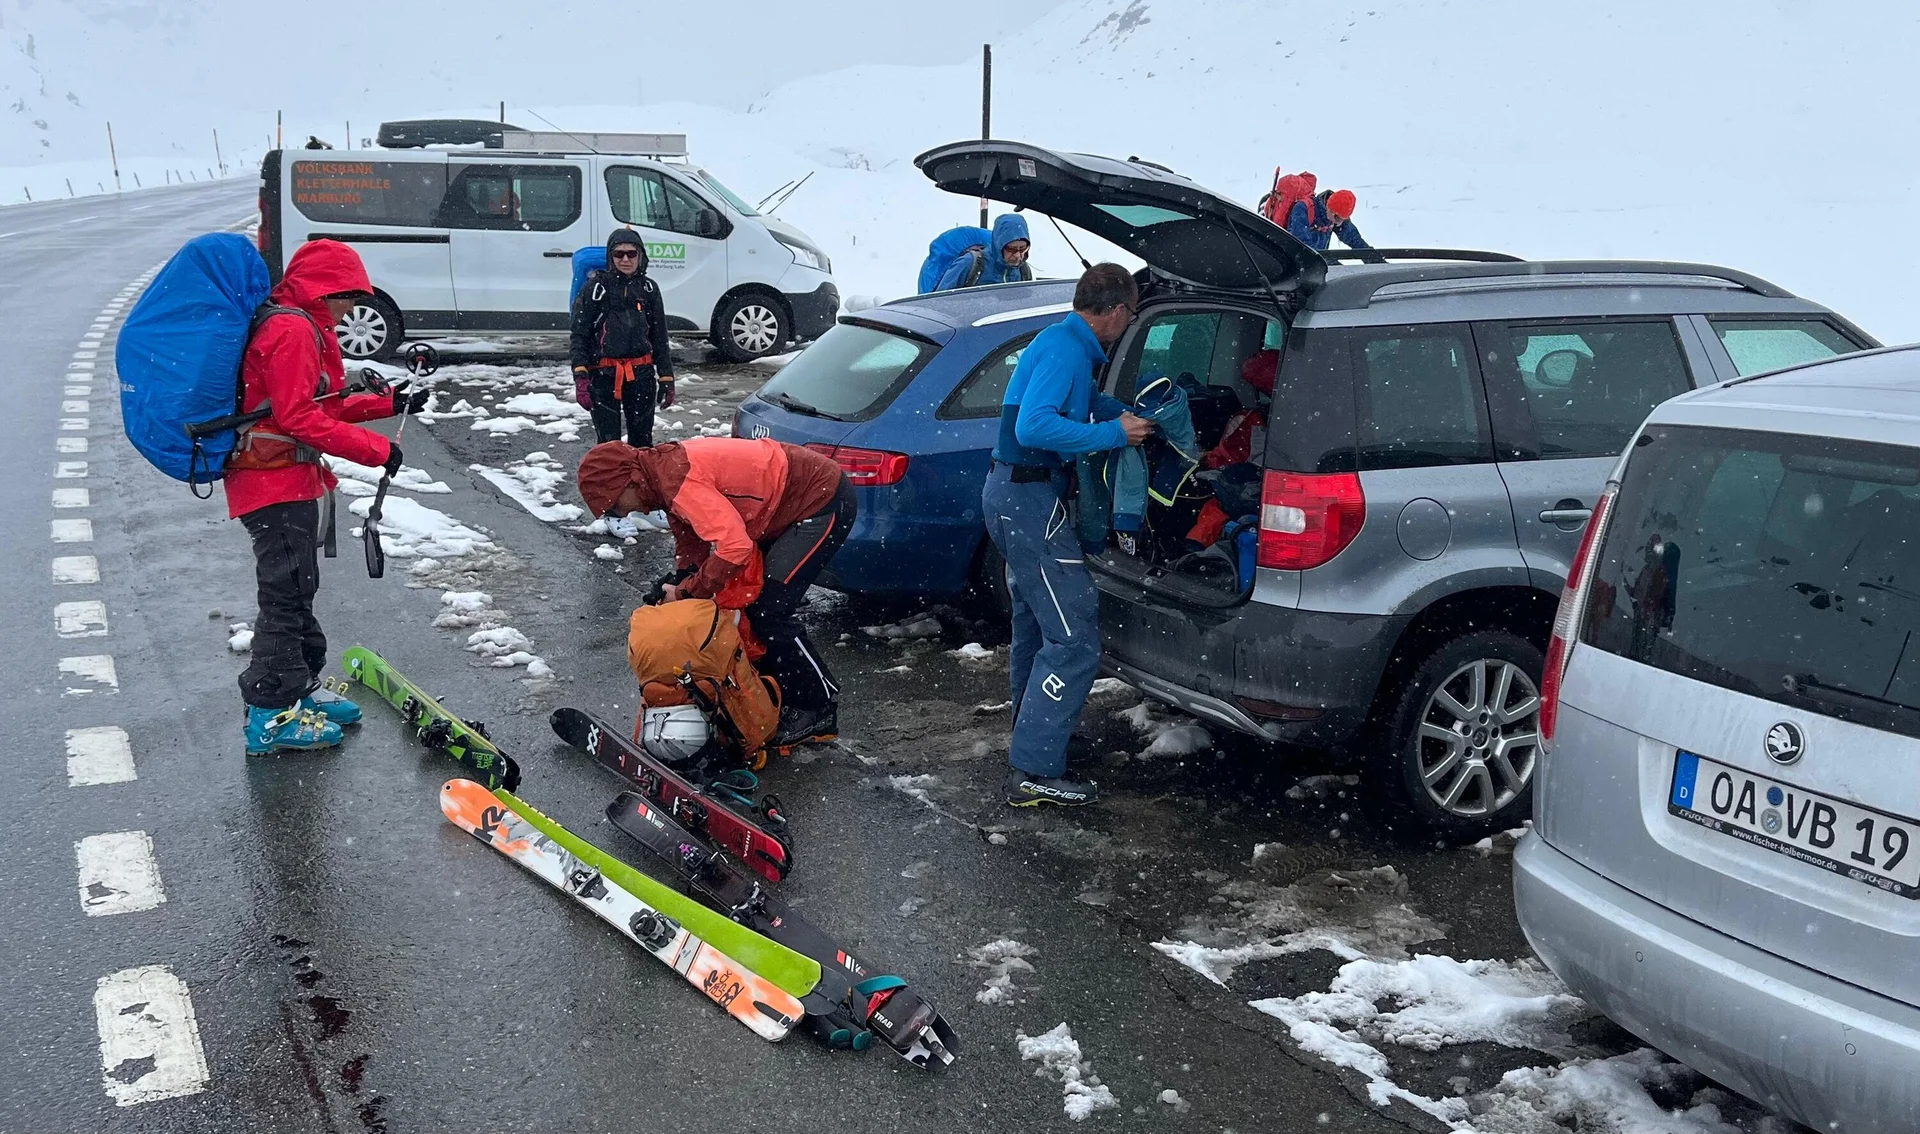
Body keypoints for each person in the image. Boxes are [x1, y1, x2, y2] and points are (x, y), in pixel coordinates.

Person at [225, 239, 427, 755]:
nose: (351, 308)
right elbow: (296, 417)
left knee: (298, 588)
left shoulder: (302, 324)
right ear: (324, 289)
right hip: (272, 481)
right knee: (284, 597)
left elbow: (316, 406)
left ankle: (298, 688)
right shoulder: (292, 330)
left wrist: (387, 403)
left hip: (284, 478)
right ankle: (270, 714)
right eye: (348, 296)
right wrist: (377, 450)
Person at [984, 263, 1155, 807]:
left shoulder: (1062, 343)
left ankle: (1039, 735)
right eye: (1131, 313)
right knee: (1074, 636)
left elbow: (1071, 408)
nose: (1128, 323)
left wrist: (1123, 413)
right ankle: (1034, 770)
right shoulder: (1065, 350)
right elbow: (1033, 425)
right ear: (1117, 310)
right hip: (1029, 500)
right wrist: (1113, 434)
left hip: (1016, 496)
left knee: (1037, 626)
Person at [576, 437, 856, 748]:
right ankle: (771, 699)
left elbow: (736, 548)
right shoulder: (658, 478)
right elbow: (691, 539)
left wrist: (688, 592)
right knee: (748, 607)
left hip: (819, 497)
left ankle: (817, 706)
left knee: (769, 612)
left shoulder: (676, 480)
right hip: (779, 505)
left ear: (630, 481)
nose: (624, 514)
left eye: (616, 505)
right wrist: (684, 579)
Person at [572, 227, 676, 450]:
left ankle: (638, 474)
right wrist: (580, 377)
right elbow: (580, 335)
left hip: (641, 375)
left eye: (631, 253)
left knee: (642, 444)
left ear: (641, 256)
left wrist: (666, 378)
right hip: (603, 375)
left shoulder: (649, 289)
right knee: (609, 446)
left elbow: (659, 337)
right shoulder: (595, 288)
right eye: (619, 254)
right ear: (611, 257)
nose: (625, 259)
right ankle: (612, 475)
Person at [934, 213, 1034, 291]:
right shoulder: (970, 264)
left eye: (1022, 249)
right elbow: (940, 301)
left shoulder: (1023, 271)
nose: (1017, 255)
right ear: (999, 245)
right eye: (1011, 249)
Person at [1286, 188, 1373, 253]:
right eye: (1338, 219)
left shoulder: (1336, 216)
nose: (1339, 223)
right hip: (1295, 261)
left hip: (1319, 260)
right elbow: (1303, 245)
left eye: (1344, 220)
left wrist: (1373, 259)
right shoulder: (1303, 209)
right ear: (1330, 210)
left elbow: (1354, 239)